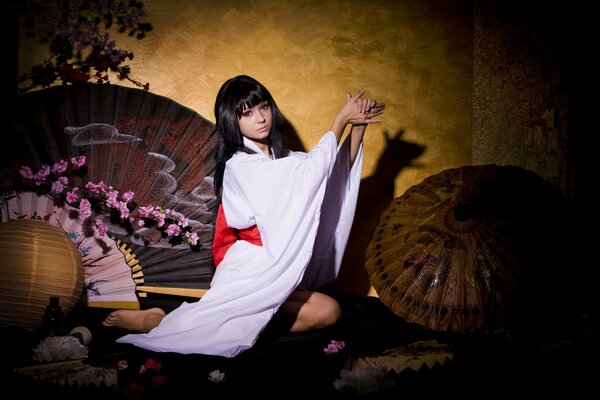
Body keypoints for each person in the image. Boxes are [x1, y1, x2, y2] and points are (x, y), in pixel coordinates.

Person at [102, 75, 385, 357]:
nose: (260, 118)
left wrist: (357, 126)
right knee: (314, 312)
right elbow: (309, 177)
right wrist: (340, 121)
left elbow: (331, 176)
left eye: (262, 107)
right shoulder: (241, 165)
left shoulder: (287, 160)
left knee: (328, 311)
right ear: (232, 121)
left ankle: (175, 321)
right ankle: (162, 321)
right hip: (254, 266)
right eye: (247, 113)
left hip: (277, 263)